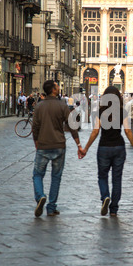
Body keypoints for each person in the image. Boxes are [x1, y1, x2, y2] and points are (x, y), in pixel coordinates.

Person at [81, 86, 133, 217]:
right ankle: (114, 209)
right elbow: (128, 131)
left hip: (104, 147)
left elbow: (95, 131)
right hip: (119, 147)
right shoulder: (122, 111)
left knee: (102, 176)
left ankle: (105, 197)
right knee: (117, 179)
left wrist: (86, 148)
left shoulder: (100, 112)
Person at [32, 80, 85, 217]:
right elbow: (72, 126)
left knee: (37, 174)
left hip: (43, 145)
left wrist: (36, 142)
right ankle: (51, 207)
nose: (58, 88)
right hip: (59, 146)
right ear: (54, 90)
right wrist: (79, 145)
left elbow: (35, 127)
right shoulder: (62, 106)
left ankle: (40, 197)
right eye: (57, 86)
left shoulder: (39, 106)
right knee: (56, 177)